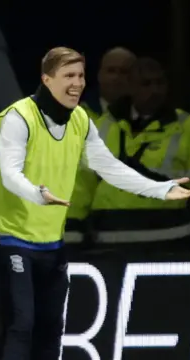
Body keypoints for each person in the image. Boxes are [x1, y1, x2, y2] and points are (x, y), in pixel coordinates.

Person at [0, 47, 190, 360]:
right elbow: (10, 172)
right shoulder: (18, 117)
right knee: (21, 324)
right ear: (47, 79)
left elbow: (108, 167)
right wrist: (37, 193)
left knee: (51, 326)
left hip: (50, 240)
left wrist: (157, 189)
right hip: (9, 235)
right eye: (68, 76)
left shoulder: (80, 119)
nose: (77, 83)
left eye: (80, 75)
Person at [80, 57, 190, 249]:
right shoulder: (102, 128)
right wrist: (71, 239)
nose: (155, 90)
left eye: (160, 83)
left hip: (171, 242)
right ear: (130, 87)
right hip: (110, 244)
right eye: (146, 84)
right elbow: (80, 185)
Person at [65, 47, 137, 243]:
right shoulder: (73, 118)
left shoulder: (148, 122)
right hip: (89, 229)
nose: (117, 78)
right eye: (111, 71)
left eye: (125, 72)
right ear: (98, 75)